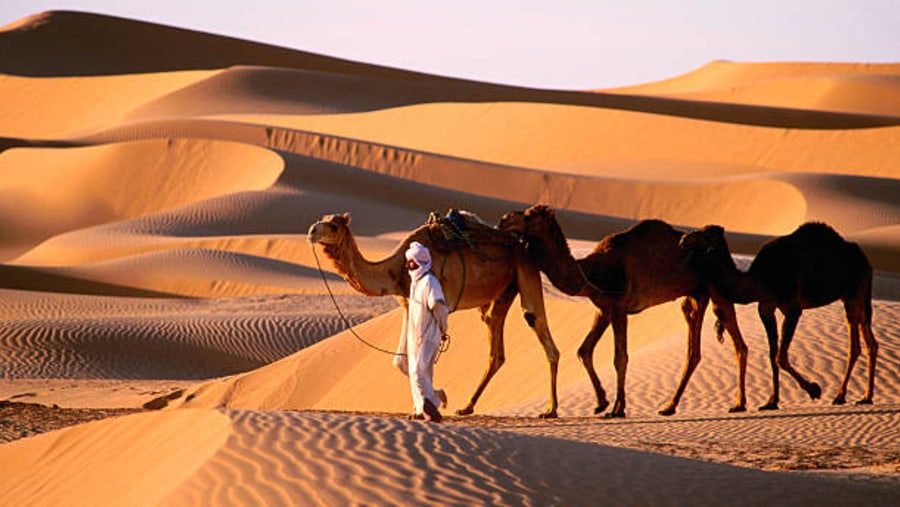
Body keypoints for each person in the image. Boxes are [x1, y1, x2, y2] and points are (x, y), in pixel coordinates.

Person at [394, 241, 449, 423]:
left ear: (421, 262)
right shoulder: (414, 283)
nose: (409, 265)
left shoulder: (430, 282)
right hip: (414, 336)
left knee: (418, 371)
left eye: (412, 262)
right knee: (417, 370)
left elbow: (439, 307)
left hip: (429, 335)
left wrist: (443, 329)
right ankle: (420, 409)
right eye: (408, 262)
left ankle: (431, 404)